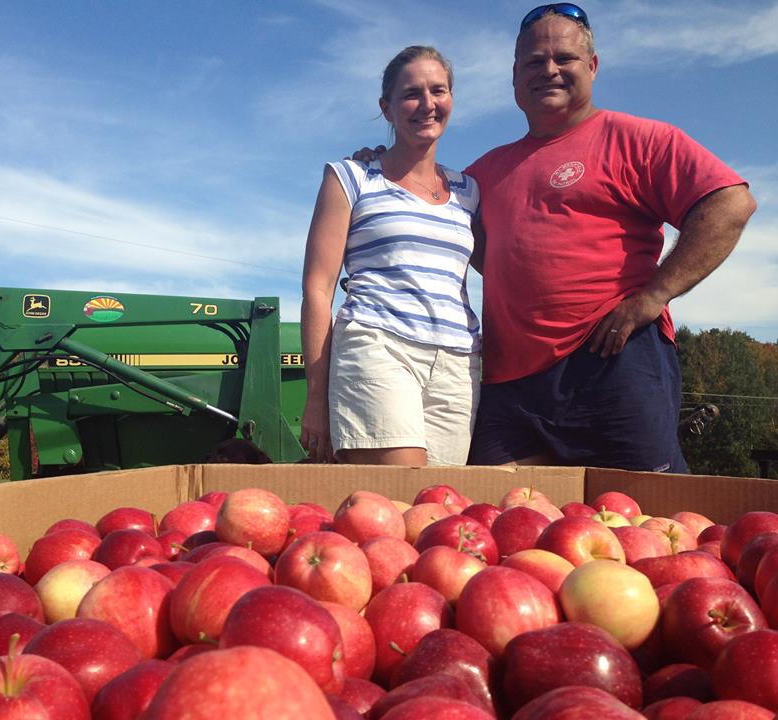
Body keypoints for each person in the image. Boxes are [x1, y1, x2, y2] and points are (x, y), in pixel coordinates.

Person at [359, 4, 757, 472]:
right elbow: (446, 228)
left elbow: (729, 202)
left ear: (592, 66)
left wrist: (656, 294)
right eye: (533, 61)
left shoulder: (639, 140)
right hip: (510, 385)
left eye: (564, 59)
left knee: (644, 518)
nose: (548, 70)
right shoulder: (483, 173)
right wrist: (383, 166)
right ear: (514, 77)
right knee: (492, 519)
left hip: (612, 359)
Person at [300, 46, 481, 466]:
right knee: (398, 497)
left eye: (439, 90)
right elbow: (317, 287)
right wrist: (317, 394)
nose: (427, 104)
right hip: (378, 345)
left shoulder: (469, 190)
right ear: (387, 108)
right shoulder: (350, 176)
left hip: (456, 362)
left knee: (440, 509)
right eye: (411, 94)